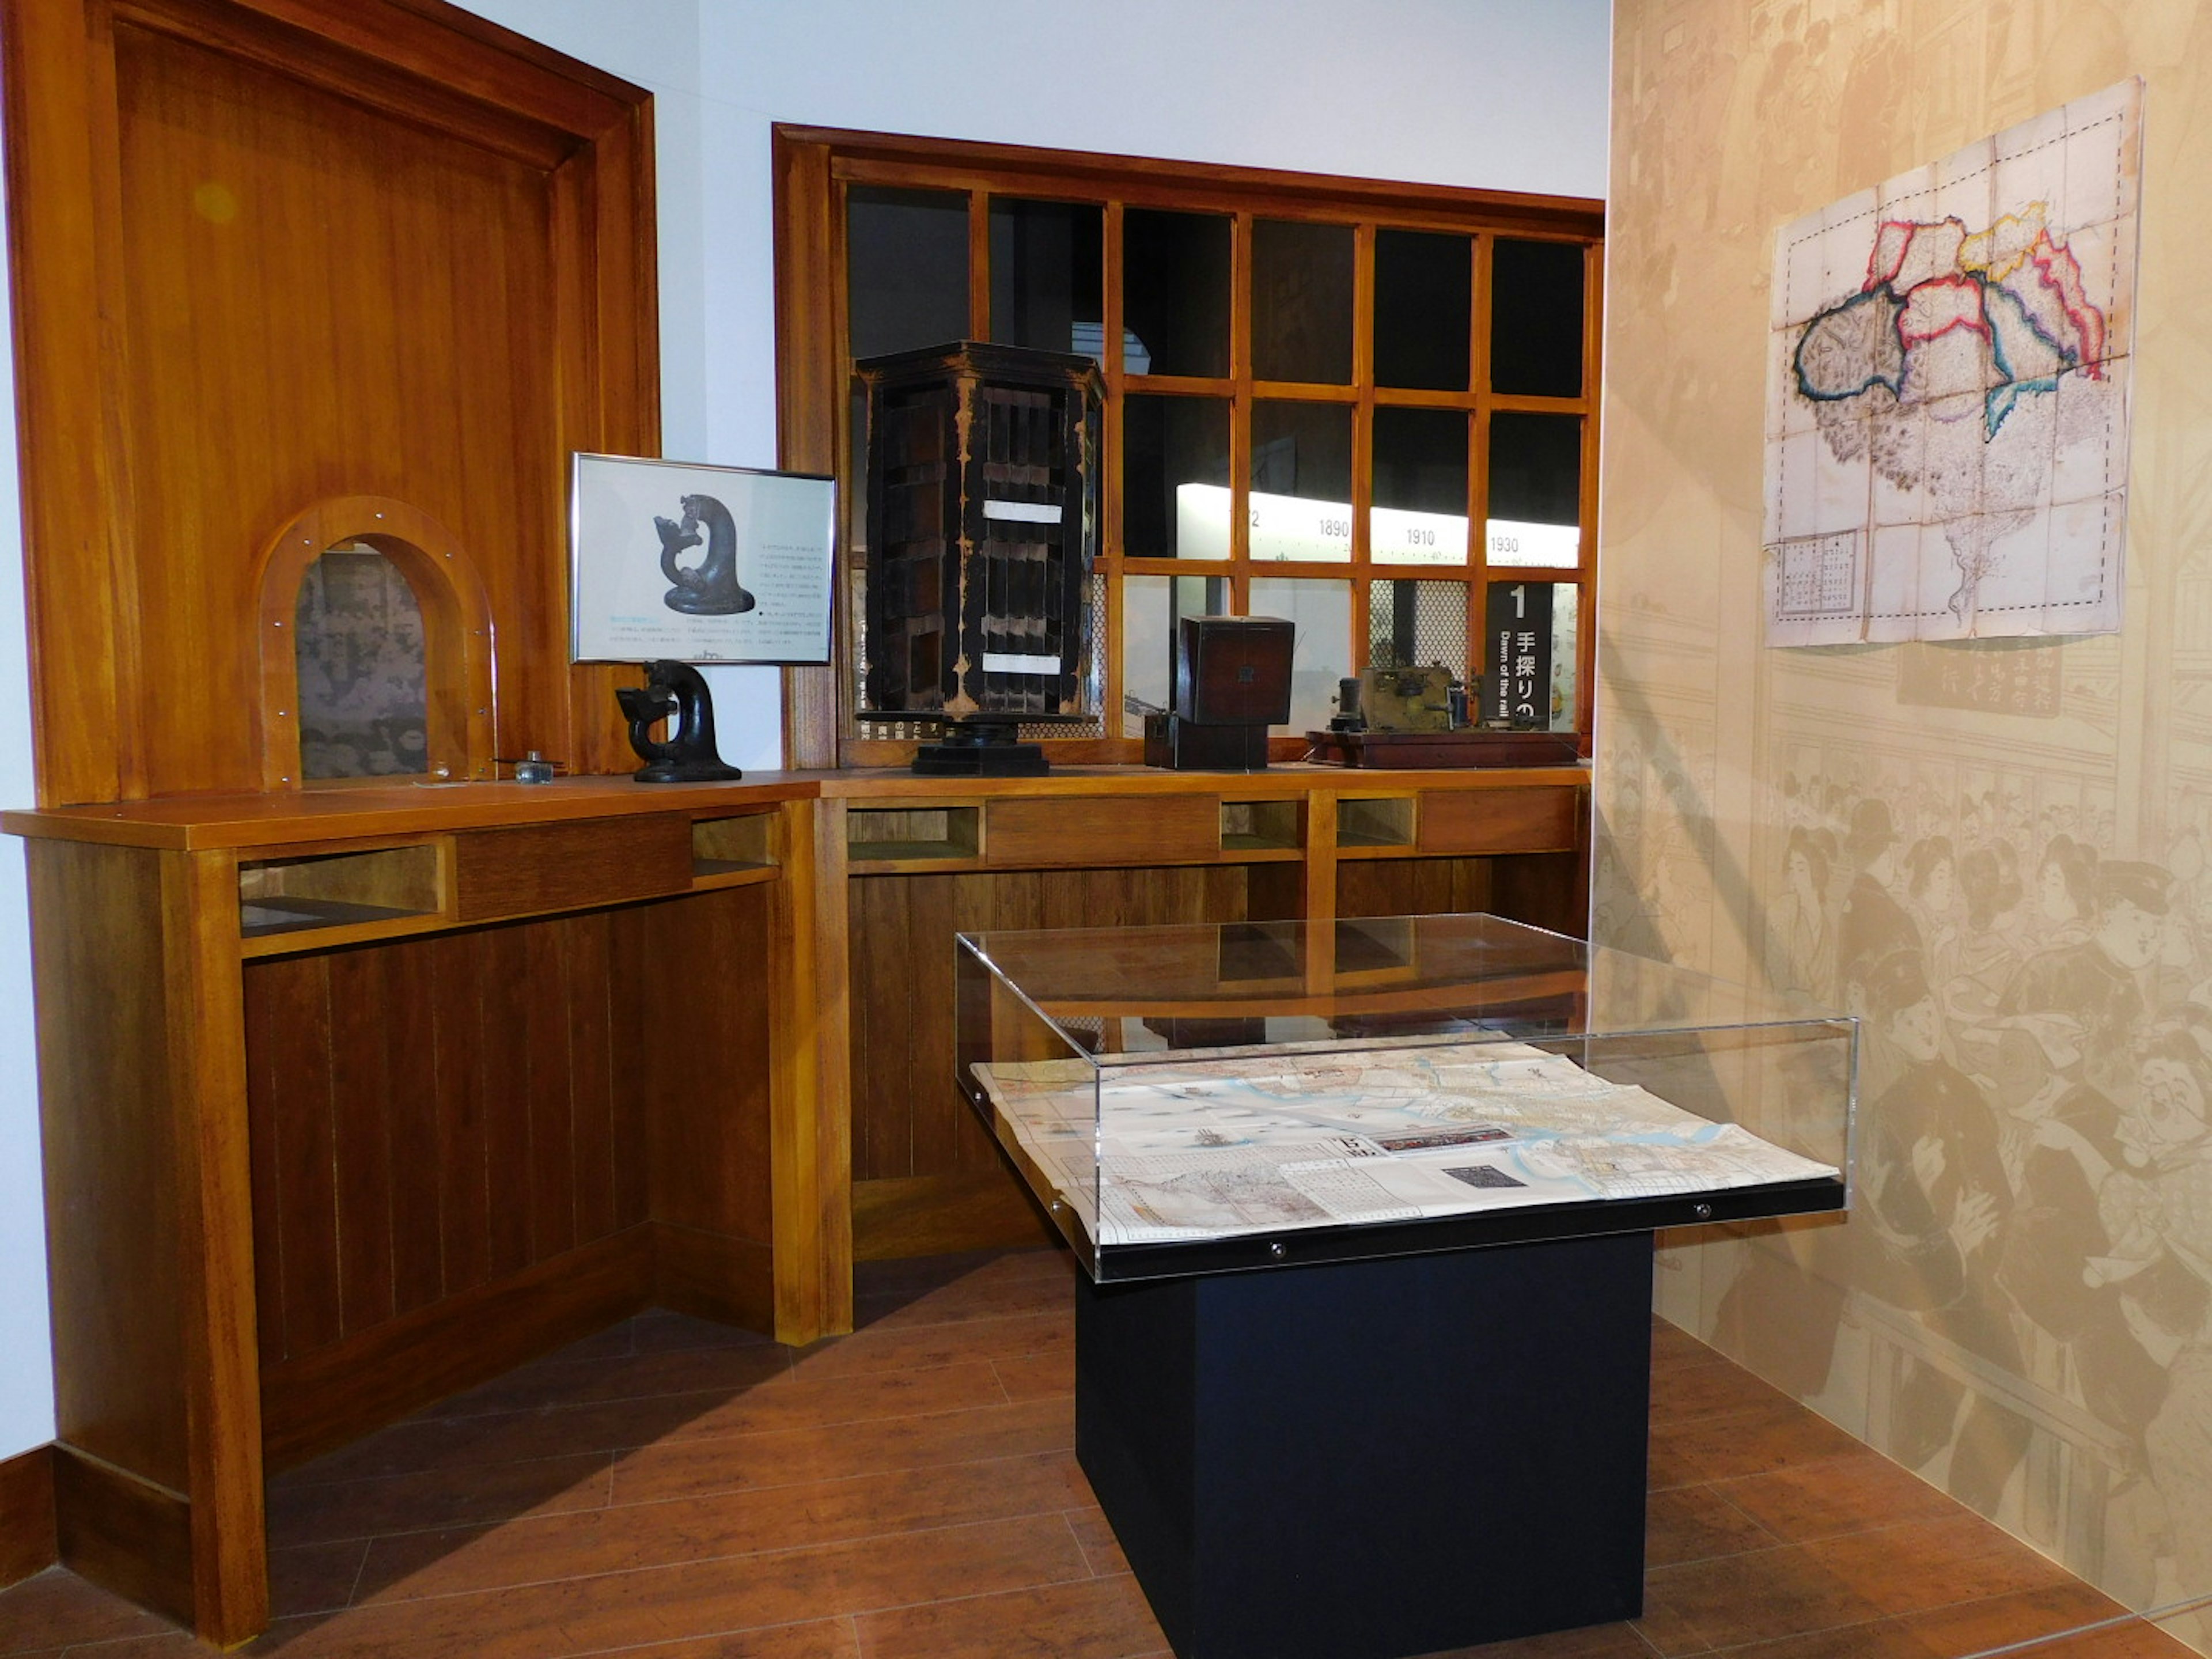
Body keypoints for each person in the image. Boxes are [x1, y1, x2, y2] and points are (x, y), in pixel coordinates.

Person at [1858, 949, 2030, 1515]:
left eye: (1927, 1013)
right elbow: (1887, 1217)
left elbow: (1995, 1185)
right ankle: (1938, 1508)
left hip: (1978, 1278)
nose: (1924, 1028)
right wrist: (1946, 1228)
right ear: (1890, 1032)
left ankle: (1955, 1511)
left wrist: (1992, 1246)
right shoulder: (1888, 1110)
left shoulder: (1964, 1092)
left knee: (1988, 1406)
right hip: (1933, 1284)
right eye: (1908, 1022)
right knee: (1981, 1403)